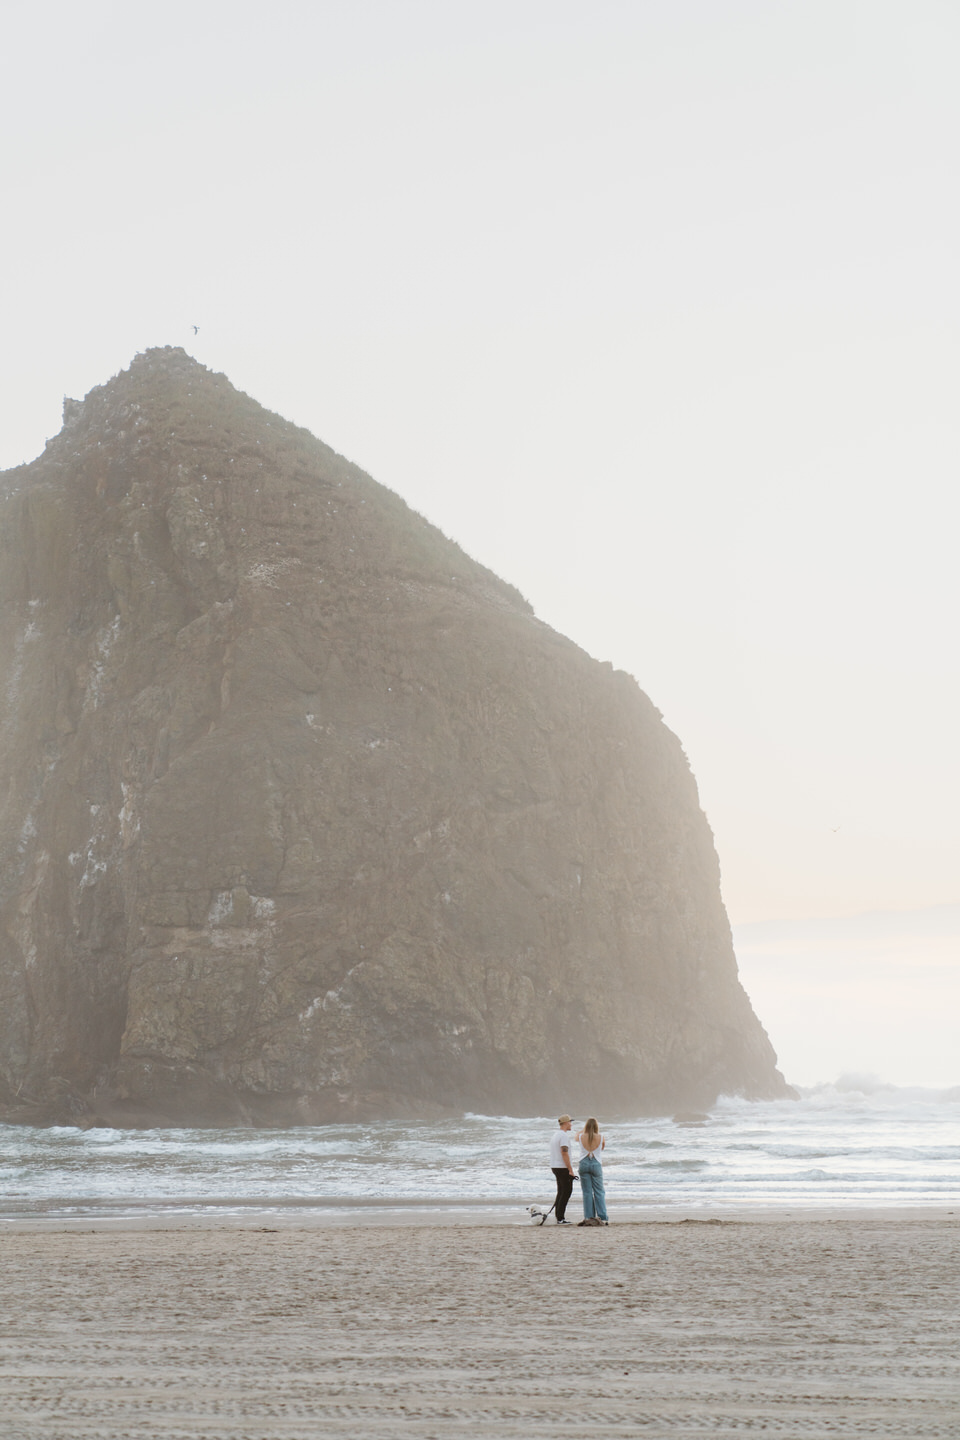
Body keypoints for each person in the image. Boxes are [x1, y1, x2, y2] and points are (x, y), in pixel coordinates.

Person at [577, 1117, 608, 1225]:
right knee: (599, 1191)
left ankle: (588, 1216)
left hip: (584, 1163)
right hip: (596, 1163)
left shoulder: (581, 1136)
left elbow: (576, 1136)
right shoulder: (601, 1137)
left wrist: (584, 1129)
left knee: (587, 1192)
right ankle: (603, 1217)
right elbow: (601, 1149)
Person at [549, 1114, 576, 1224]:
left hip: (555, 1166)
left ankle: (559, 1217)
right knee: (566, 1191)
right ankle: (560, 1218)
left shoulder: (556, 1135)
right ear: (565, 1123)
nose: (571, 1124)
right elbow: (564, 1152)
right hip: (562, 1167)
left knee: (561, 1191)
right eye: (570, 1122)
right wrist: (570, 1169)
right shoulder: (563, 1136)